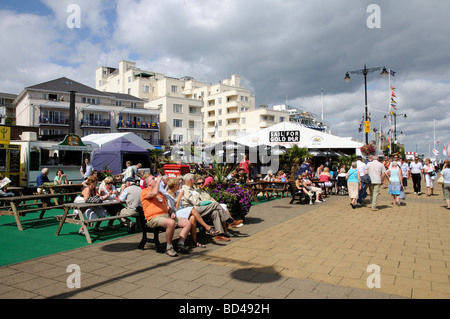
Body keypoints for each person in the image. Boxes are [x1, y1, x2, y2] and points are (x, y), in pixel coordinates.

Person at [141, 175, 192, 257]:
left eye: (155, 179)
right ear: (148, 183)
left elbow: (167, 206)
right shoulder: (145, 191)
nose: (155, 180)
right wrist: (158, 181)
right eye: (153, 179)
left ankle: (180, 244)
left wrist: (171, 212)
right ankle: (169, 247)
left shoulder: (160, 194)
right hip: (154, 218)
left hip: (166, 216)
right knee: (171, 223)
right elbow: (154, 193)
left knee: (187, 223)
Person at [165, 178, 218, 248]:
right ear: (175, 186)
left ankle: (194, 241)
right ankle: (207, 227)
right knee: (192, 209)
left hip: (181, 211)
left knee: (192, 218)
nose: (180, 186)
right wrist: (179, 197)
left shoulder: (177, 192)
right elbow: (175, 208)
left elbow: (181, 206)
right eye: (179, 184)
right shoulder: (167, 195)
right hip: (174, 213)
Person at [181, 173, 230, 241]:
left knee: (215, 212)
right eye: (194, 180)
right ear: (190, 180)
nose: (194, 182)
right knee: (215, 204)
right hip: (192, 210)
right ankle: (229, 220)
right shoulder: (185, 190)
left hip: (197, 208)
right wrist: (199, 197)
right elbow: (196, 202)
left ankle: (219, 234)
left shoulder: (191, 189)